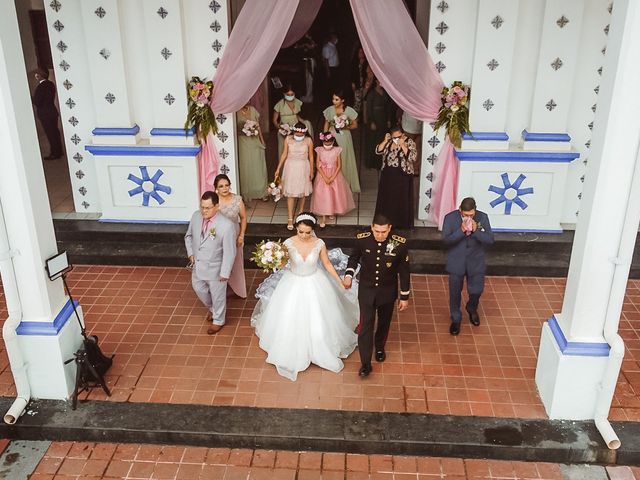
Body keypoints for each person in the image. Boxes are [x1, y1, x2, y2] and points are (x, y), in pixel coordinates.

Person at [251, 212, 359, 381]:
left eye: (308, 232)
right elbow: (282, 264)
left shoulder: (319, 243)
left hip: (315, 282)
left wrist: (340, 281)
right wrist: (272, 259)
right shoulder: (288, 243)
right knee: (290, 316)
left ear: (312, 231)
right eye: (301, 231)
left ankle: (319, 348)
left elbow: (327, 264)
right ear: (296, 228)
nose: (304, 235)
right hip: (292, 282)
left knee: (318, 316)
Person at [343, 214, 411, 378]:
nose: (380, 235)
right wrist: (349, 275)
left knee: (384, 322)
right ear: (372, 228)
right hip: (366, 289)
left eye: (383, 232)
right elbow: (354, 258)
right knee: (365, 325)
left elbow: (404, 271)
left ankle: (379, 347)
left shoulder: (400, 243)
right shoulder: (362, 239)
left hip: (387, 291)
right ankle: (365, 363)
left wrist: (404, 296)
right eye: (377, 231)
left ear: (389, 229)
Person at [184, 191, 237, 334]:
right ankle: (213, 310)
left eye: (208, 208)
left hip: (216, 268)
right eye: (202, 207)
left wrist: (225, 272)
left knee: (218, 295)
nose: (204, 211)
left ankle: (218, 320)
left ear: (217, 206)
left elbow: (230, 251)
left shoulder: (226, 225)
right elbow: (188, 236)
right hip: (198, 266)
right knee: (199, 289)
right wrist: (191, 254)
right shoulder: (196, 216)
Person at [442, 197, 494, 336]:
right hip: (457, 261)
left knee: (476, 290)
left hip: (475, 261)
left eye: (471, 215)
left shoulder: (482, 217)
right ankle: (456, 318)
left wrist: (477, 231)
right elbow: (446, 240)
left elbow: (490, 240)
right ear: (460, 210)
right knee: (454, 293)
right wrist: (460, 230)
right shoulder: (450, 218)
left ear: (475, 211)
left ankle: (471, 308)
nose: (468, 217)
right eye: (465, 215)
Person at [374, 126, 418, 229]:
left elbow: (413, 157)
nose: (396, 139)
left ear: (403, 134)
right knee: (387, 198)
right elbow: (378, 151)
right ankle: (385, 221)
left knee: (400, 199)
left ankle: (401, 223)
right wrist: (385, 141)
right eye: (394, 137)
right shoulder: (389, 141)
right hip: (388, 175)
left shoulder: (409, 142)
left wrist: (403, 145)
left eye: (398, 137)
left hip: (402, 176)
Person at [310, 132, 356, 228]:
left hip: (335, 174)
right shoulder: (319, 150)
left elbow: (339, 165)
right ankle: (324, 214)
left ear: (333, 141)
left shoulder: (337, 150)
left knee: (334, 193)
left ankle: (332, 210)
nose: (327, 146)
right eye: (325, 144)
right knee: (323, 194)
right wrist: (325, 177)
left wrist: (333, 177)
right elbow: (317, 165)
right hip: (322, 175)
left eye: (329, 144)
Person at [274, 122, 314, 231]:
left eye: (301, 135)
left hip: (303, 166)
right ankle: (290, 217)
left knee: (302, 192)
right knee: (290, 193)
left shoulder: (308, 140)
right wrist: (278, 168)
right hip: (290, 166)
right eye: (297, 133)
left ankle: (300, 213)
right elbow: (284, 154)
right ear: (293, 131)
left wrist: (312, 170)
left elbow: (311, 156)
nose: (299, 136)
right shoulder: (288, 139)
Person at [214, 174, 248, 299]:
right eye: (221, 186)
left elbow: (243, 218)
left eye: (226, 185)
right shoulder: (214, 201)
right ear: (216, 188)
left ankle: (238, 288)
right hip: (218, 235)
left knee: (236, 261)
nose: (224, 189)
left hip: (234, 233)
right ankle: (222, 287)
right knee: (220, 261)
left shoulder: (237, 199)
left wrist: (241, 235)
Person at [323, 91, 360, 193]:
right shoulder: (329, 110)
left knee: (344, 157)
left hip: (344, 137)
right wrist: (325, 136)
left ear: (342, 100)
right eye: (333, 99)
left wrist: (345, 126)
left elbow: (355, 125)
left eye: (336, 99)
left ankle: (345, 183)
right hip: (332, 135)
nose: (334, 101)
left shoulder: (349, 110)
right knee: (333, 159)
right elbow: (326, 123)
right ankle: (333, 182)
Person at [236, 103, 268, 201]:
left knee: (258, 165)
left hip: (255, 141)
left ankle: (262, 192)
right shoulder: (235, 111)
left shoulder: (253, 109)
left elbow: (258, 127)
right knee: (246, 166)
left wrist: (262, 140)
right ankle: (247, 193)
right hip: (243, 142)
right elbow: (234, 130)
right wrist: (244, 130)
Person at [32, 68, 62, 160]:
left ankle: (54, 153)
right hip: (52, 112)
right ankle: (59, 151)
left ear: (39, 75)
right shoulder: (50, 84)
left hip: (45, 114)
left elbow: (37, 101)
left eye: (36, 74)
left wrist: (31, 98)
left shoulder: (41, 87)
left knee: (50, 134)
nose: (35, 76)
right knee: (55, 132)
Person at [363, 78, 393, 170]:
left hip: (383, 119)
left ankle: (380, 164)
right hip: (374, 119)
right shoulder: (371, 94)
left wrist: (388, 120)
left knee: (382, 141)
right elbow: (368, 109)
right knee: (373, 141)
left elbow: (388, 107)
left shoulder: (385, 93)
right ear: (376, 82)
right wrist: (371, 121)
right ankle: (371, 163)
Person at [272, 85, 304, 158]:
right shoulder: (279, 104)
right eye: (288, 95)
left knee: (296, 148)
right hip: (283, 129)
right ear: (284, 94)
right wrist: (281, 129)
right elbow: (274, 120)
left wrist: (303, 122)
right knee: (284, 149)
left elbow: (297, 115)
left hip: (296, 129)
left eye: (292, 94)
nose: (290, 96)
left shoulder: (298, 102)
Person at [350, 47, 368, 112]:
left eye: (363, 52)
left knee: (364, 101)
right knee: (357, 101)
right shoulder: (354, 62)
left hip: (365, 85)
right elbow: (352, 74)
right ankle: (355, 116)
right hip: (357, 84)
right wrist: (353, 83)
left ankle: (361, 118)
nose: (361, 54)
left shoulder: (367, 62)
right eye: (360, 52)